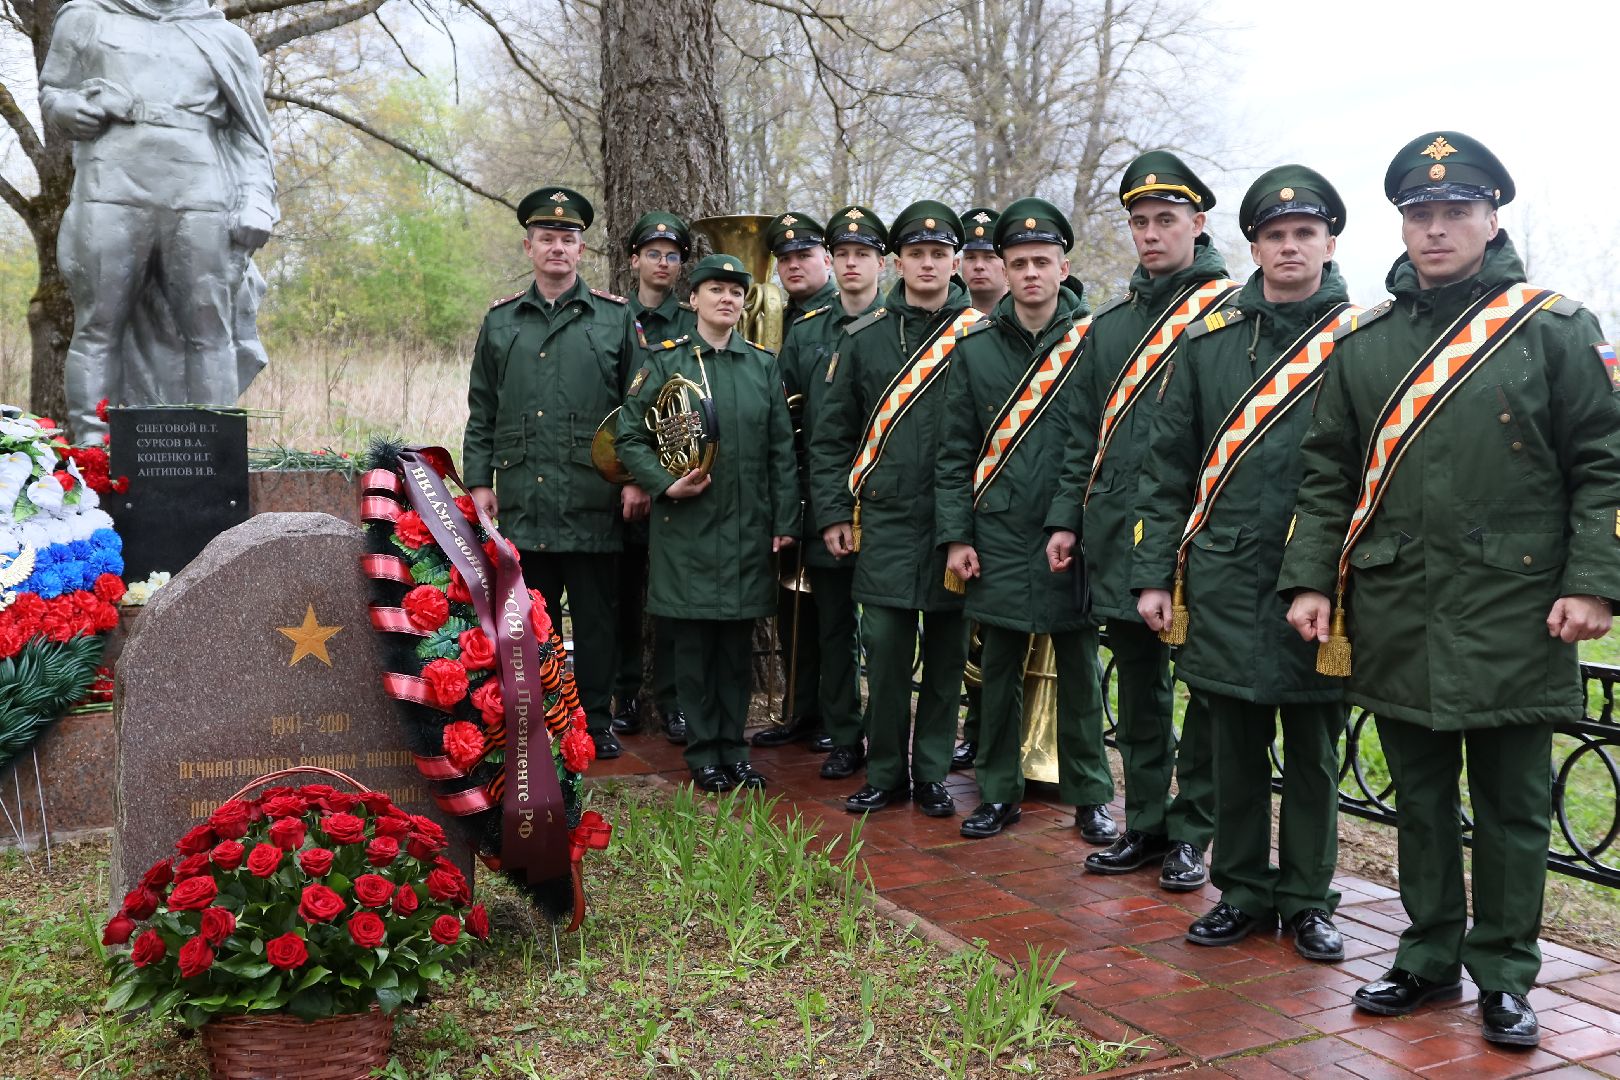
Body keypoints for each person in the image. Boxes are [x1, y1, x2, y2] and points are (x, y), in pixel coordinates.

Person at [1279, 132, 1620, 1047]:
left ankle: (1506, 973)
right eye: (1420, 215)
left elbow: (1605, 467)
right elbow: (1327, 475)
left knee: (1511, 808)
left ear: (1491, 217)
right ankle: (1426, 958)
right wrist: (1312, 579)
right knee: (1420, 801)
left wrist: (1596, 585)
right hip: (1398, 609)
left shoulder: (1552, 327)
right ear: (1401, 224)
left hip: (1520, 611)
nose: (1436, 230)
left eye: (1455, 213)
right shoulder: (1366, 343)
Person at [1133, 166, 1355, 959]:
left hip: (1320, 587)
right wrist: (1155, 574)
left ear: (1329, 242)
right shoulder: (1209, 344)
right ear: (1252, 245)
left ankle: (1307, 899)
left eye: (1304, 233)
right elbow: (1168, 472)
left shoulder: (1366, 339)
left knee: (1312, 756)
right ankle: (1242, 892)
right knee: (1231, 750)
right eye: (1273, 235)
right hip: (1222, 579)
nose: (1289, 246)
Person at [1047, 151, 1235, 892]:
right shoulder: (1111, 326)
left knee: (1209, 695)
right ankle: (1148, 823)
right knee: (1141, 691)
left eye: (1167, 220)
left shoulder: (1232, 314)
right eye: (1140, 222)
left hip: (1200, 535)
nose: (1152, 234)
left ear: (1198, 224)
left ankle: (1194, 832)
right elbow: (1077, 433)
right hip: (1119, 534)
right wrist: (1066, 520)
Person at [937, 198, 1117, 841]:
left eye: (1043, 261)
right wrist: (956, 535)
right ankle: (997, 790)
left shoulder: (1093, 344)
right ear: (1002, 271)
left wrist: (1071, 517)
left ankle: (1092, 793)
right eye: (1019, 263)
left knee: (1079, 669)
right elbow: (954, 448)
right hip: (997, 531)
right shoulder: (975, 348)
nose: (1032, 273)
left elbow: (1094, 443)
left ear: (1063, 266)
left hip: (1071, 532)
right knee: (998, 672)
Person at [40, 0, 279, 444]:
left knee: (210, 328)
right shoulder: (86, 17)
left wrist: (256, 199)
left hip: (200, 192)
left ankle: (214, 456)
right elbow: (53, 91)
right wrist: (67, 109)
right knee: (98, 323)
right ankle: (95, 456)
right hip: (109, 186)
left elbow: (251, 133)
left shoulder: (227, 38)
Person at [810, 201, 982, 817]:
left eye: (940, 254)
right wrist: (833, 512)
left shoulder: (982, 333)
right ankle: (885, 771)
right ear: (898, 261)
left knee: (944, 657)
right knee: (882, 654)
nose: (929, 263)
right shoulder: (865, 337)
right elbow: (832, 435)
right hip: (881, 521)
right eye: (917, 253)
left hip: (954, 525)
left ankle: (931, 773)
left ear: (955, 259)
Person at [462, 186, 646, 762]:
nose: (557, 248)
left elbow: (637, 409)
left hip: (594, 498)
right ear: (529, 246)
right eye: (547, 239)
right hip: (524, 499)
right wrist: (480, 481)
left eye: (568, 239)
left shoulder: (616, 319)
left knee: (596, 622)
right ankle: (536, 717)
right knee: (528, 622)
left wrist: (638, 477)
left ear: (582, 250)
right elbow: (482, 409)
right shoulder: (500, 322)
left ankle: (594, 718)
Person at [615, 253, 799, 792]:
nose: (727, 299)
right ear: (692, 299)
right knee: (693, 648)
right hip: (688, 528)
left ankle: (734, 750)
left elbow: (780, 452)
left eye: (736, 292)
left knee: (737, 650)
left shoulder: (763, 365)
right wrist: (663, 484)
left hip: (747, 530)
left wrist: (785, 520)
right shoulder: (665, 362)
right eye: (715, 289)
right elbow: (628, 435)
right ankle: (702, 753)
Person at [779, 206, 888, 783]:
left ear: (879, 263)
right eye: (842, 253)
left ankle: (890, 739)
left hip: (893, 509)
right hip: (829, 506)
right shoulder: (805, 333)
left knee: (888, 634)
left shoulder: (901, 324)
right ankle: (845, 737)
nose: (850, 264)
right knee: (835, 628)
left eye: (861, 255)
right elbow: (791, 426)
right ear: (831, 259)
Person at [753, 211, 841, 752]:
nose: (793, 265)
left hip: (832, 486)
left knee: (833, 612)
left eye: (804, 255)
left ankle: (835, 717)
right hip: (791, 484)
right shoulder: (790, 319)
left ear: (826, 259)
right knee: (794, 607)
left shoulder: (841, 316)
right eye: (784, 259)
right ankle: (799, 710)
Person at [614, 212, 692, 744]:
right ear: (634, 259)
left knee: (672, 599)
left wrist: (662, 477)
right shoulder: (610, 317)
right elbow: (609, 403)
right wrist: (631, 477)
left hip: (679, 485)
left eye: (672, 255)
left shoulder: (694, 319)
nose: (663, 263)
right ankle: (624, 695)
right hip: (620, 480)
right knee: (621, 594)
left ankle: (673, 698)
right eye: (654, 253)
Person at [953, 205, 1008, 770]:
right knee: (971, 642)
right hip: (965, 506)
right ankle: (974, 730)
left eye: (990, 255)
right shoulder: (954, 325)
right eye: (970, 256)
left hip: (1012, 509)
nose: (979, 265)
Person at [960, 207, 1010, 315]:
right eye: (970, 257)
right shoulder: (946, 323)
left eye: (989, 257)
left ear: (1007, 265)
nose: (979, 266)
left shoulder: (1026, 318)